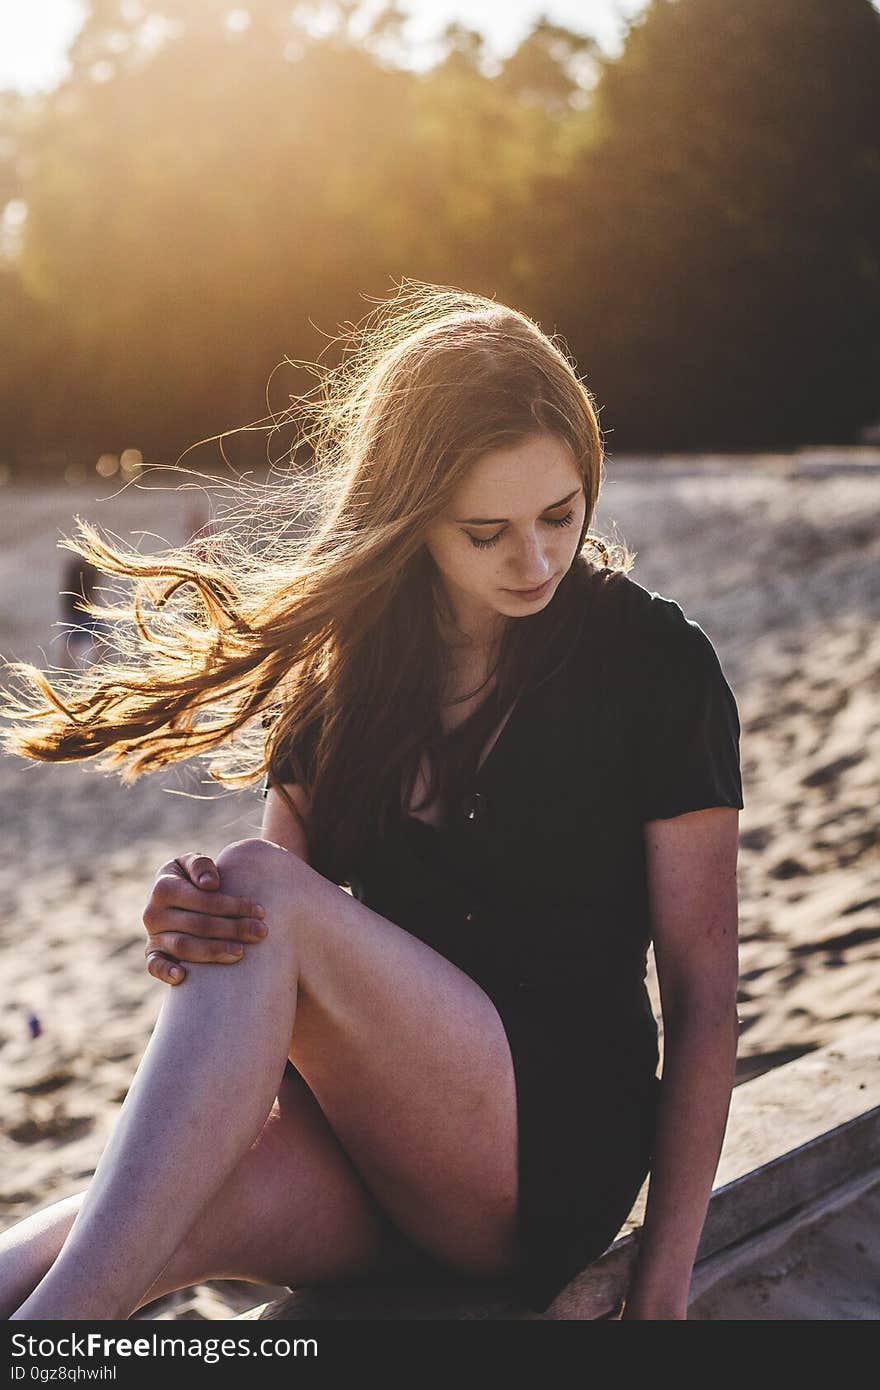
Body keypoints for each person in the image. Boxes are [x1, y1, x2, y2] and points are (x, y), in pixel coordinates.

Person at [0, 283, 743, 1321]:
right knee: (111, 1226)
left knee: (264, 891)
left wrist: (659, 1301)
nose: (534, 559)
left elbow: (705, 997)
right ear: (412, 516)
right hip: (367, 1159)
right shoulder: (346, 679)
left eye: (559, 516)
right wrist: (191, 928)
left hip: (545, 1159)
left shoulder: (654, 664)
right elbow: (272, 965)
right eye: (485, 530)